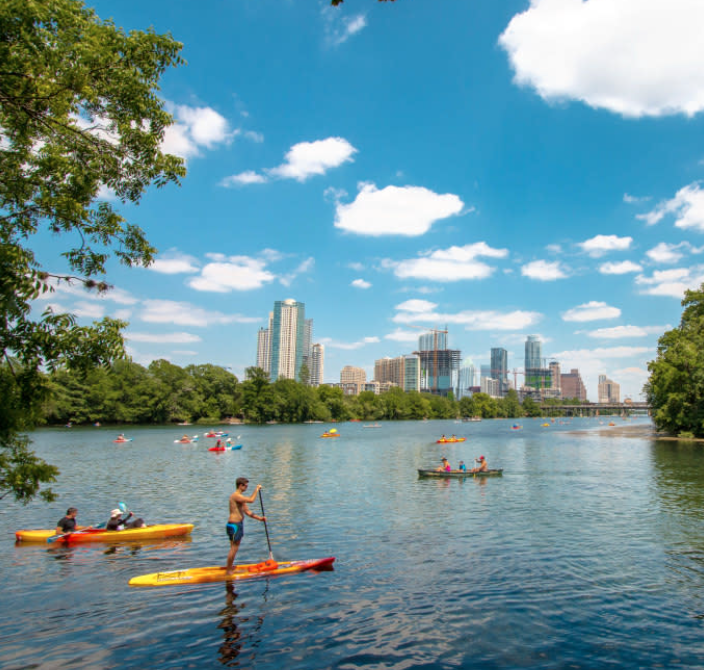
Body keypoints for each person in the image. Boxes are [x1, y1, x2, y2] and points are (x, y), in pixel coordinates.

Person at [226, 477, 267, 575]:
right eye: (246, 486)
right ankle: (228, 571)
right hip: (234, 525)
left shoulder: (240, 498)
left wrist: (260, 518)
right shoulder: (236, 496)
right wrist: (256, 489)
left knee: (234, 548)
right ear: (240, 486)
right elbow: (251, 500)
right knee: (234, 548)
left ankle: (229, 567)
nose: (247, 488)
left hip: (237, 525)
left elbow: (248, 512)